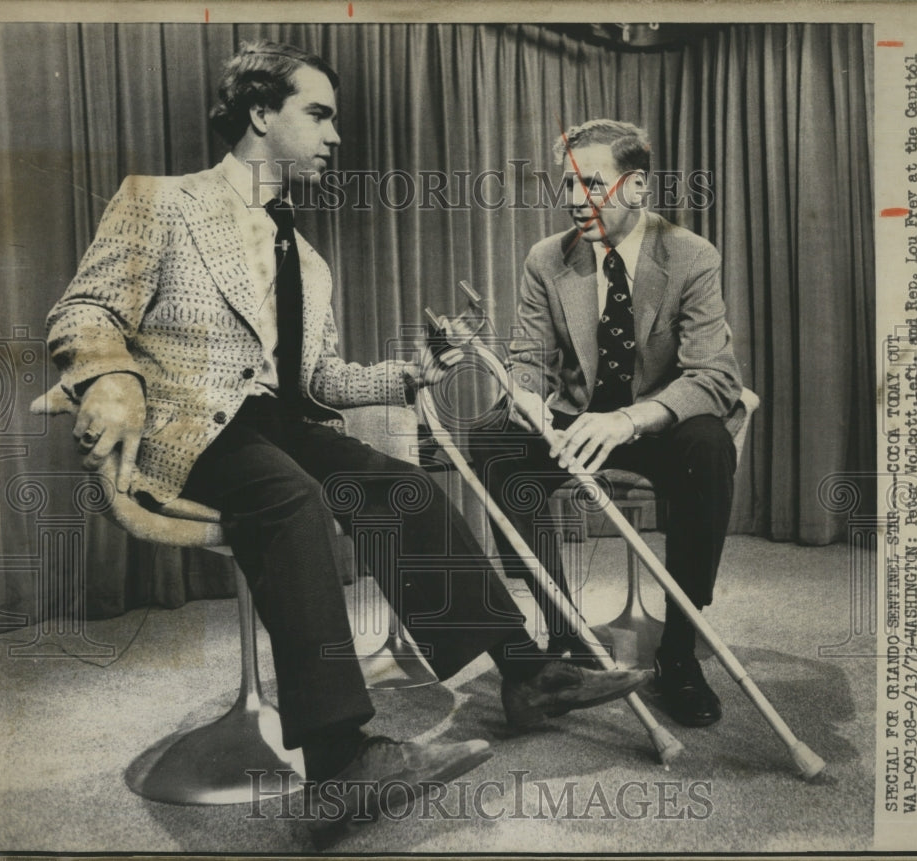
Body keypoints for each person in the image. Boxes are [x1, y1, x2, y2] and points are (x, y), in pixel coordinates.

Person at [44, 43, 645, 830]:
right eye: (318, 115)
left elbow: (320, 381)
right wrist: (113, 380)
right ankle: (337, 764)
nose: (334, 136)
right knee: (289, 494)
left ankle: (527, 677)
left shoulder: (311, 261)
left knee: (403, 486)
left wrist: (412, 371)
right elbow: (83, 311)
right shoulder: (160, 202)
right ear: (261, 113)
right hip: (189, 428)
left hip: (276, 423)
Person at [469, 119, 742, 728]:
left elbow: (713, 376)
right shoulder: (547, 258)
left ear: (637, 186)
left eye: (592, 184)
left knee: (710, 443)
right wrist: (528, 400)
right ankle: (563, 639)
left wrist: (630, 420)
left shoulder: (691, 254)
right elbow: (529, 363)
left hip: (656, 421)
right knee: (491, 436)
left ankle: (679, 652)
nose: (575, 200)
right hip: (573, 421)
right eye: (568, 184)